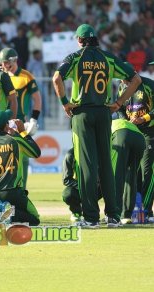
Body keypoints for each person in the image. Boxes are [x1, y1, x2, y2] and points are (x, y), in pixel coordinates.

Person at [53, 23, 142, 228]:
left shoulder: (75, 58)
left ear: (79, 40)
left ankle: (91, 218)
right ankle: (113, 216)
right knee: (106, 165)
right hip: (104, 113)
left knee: (87, 166)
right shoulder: (108, 58)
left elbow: (57, 77)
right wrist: (119, 103)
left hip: (82, 113)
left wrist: (65, 102)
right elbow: (135, 79)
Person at [0, 109, 41, 226]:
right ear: (7, 125)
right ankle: (8, 215)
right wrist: (22, 132)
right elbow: (36, 152)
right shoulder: (15, 140)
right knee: (34, 219)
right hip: (14, 194)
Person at [0, 47, 42, 188]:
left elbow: (37, 99)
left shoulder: (26, 76)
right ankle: (5, 189)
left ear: (13, 60)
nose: (3, 65)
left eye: (5, 62)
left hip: (19, 121)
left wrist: (34, 118)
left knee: (23, 156)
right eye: (2, 62)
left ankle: (22, 190)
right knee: (2, 156)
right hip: (2, 121)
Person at [116, 62, 154, 223]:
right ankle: (133, 210)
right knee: (133, 172)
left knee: (147, 171)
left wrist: (143, 119)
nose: (123, 82)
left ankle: (147, 212)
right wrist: (126, 121)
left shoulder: (148, 85)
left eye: (125, 79)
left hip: (149, 132)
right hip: (132, 132)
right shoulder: (121, 87)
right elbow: (120, 108)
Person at [111, 118, 146, 224]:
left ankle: (114, 214)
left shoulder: (100, 127)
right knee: (131, 176)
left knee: (116, 174)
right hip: (140, 138)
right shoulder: (113, 121)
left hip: (121, 134)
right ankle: (126, 216)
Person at [62, 147, 102, 223]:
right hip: (79, 188)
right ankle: (76, 212)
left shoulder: (100, 151)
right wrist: (83, 186)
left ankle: (112, 215)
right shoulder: (70, 154)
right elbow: (66, 180)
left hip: (98, 188)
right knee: (68, 194)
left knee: (114, 187)